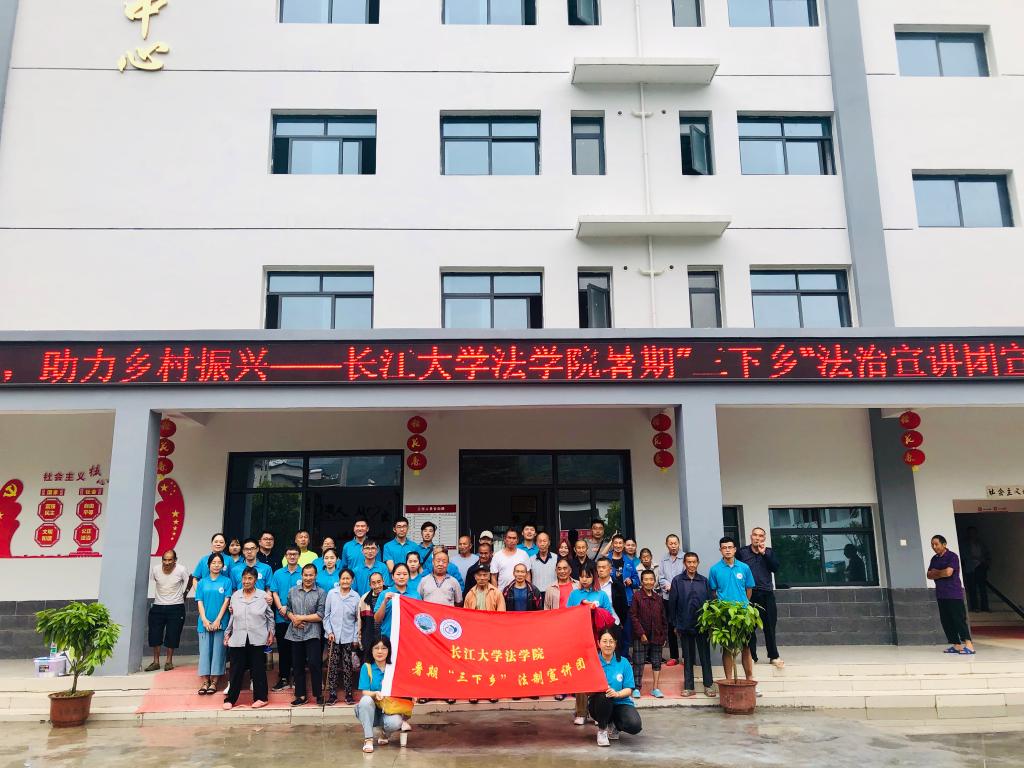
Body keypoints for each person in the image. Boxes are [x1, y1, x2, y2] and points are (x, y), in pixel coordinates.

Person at [566, 564, 614, 726]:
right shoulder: (574, 595)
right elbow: (567, 616)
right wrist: (582, 607)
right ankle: (581, 712)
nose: (584, 579)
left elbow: (609, 618)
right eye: (581, 576)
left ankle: (597, 711)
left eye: (588, 576)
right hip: (579, 640)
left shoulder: (601, 595)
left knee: (598, 675)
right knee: (581, 675)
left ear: (594, 576)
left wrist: (595, 610)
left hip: (597, 642)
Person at [222, 567, 275, 710]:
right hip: (238, 637)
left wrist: (271, 633)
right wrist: (227, 633)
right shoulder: (236, 596)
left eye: (250, 578)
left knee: (258, 669)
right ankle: (231, 699)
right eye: (244, 578)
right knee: (236, 670)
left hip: (257, 637)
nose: (246, 581)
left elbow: (270, 617)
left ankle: (261, 698)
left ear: (255, 580)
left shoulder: (263, 596)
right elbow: (233, 617)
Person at [708, 537, 756, 686]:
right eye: (724, 548)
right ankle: (728, 681)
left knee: (746, 647)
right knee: (728, 648)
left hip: (743, 614)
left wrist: (744, 604)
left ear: (735, 549)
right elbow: (713, 592)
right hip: (724, 614)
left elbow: (749, 589)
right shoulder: (715, 569)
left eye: (730, 547)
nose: (727, 550)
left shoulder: (744, 567)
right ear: (720, 550)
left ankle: (750, 681)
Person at [668, 552, 715, 698]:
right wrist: (675, 624)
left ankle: (709, 685)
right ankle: (689, 687)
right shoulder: (677, 580)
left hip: (702, 625)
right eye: (689, 562)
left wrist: (710, 623)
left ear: (698, 563)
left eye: (694, 562)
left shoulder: (704, 581)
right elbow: (672, 604)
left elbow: (710, 603)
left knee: (705, 656)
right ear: (684, 563)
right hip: (684, 624)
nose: (692, 565)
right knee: (688, 657)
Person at [355, 637, 412, 753]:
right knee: (365, 700)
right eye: (376, 648)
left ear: (389, 650)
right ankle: (368, 739)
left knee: (395, 722)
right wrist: (375, 693)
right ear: (371, 650)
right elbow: (365, 691)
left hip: (389, 710)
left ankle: (385, 734)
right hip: (372, 712)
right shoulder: (367, 667)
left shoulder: (394, 668)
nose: (380, 651)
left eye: (384, 648)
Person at [738, 527, 784, 668]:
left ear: (764, 538)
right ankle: (751, 656)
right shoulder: (742, 552)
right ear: (751, 536)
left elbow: (775, 568)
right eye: (755, 535)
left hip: (766, 593)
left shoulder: (769, 552)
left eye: (760, 536)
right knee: (749, 627)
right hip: (749, 594)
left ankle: (774, 656)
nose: (757, 538)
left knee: (769, 626)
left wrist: (764, 554)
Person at [591, 627, 643, 747]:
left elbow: (629, 689)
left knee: (634, 725)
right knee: (604, 696)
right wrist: (600, 689)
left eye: (611, 641)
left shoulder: (624, 662)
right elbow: (586, 689)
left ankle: (614, 725)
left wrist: (617, 694)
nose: (608, 645)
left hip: (621, 703)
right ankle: (602, 730)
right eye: (604, 641)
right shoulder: (593, 662)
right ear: (598, 643)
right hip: (599, 704)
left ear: (615, 643)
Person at [286, 563, 327, 706]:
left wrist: (301, 618)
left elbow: (320, 615)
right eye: (305, 575)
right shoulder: (293, 591)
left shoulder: (321, 592)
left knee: (315, 664)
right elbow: (288, 609)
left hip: (313, 633)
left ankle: (318, 694)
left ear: (315, 576)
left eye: (311, 575)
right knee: (297, 665)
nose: (308, 578)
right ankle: (301, 695)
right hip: (295, 632)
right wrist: (293, 619)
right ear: (301, 575)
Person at [928, 535, 975, 655]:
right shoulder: (934, 559)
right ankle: (956, 645)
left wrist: (937, 572)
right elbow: (929, 575)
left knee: (958, 619)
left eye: (936, 544)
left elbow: (948, 573)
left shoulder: (952, 556)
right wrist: (941, 573)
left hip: (954, 593)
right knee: (946, 620)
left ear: (944, 544)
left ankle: (969, 645)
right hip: (941, 594)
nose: (934, 547)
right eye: (932, 544)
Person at [146, 549, 190, 672]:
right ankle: (156, 662)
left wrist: (184, 595)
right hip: (158, 605)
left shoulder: (181, 570)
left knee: (173, 634)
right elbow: (155, 582)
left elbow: (189, 581)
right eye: (164, 560)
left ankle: (169, 661)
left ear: (175, 560)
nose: (167, 562)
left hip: (176, 606)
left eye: (170, 560)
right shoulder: (155, 569)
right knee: (154, 634)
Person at [324, 568, 361, 706]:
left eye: (348, 578)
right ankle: (332, 694)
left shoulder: (355, 596)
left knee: (348, 666)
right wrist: (329, 632)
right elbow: (326, 616)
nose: (345, 581)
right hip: (333, 637)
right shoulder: (332, 594)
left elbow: (357, 620)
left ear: (352, 580)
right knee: (332, 665)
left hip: (348, 637)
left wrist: (355, 638)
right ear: (339, 580)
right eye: (343, 578)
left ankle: (349, 694)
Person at [195, 552, 230, 695]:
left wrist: (218, 620)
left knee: (218, 652)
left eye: (219, 563)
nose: (216, 565)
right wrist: (204, 619)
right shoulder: (202, 582)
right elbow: (199, 601)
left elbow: (226, 601)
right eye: (213, 563)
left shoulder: (226, 581)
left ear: (223, 565)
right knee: (204, 652)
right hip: (204, 623)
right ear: (208, 565)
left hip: (220, 622)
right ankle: (205, 682)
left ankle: (214, 682)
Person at [269, 545, 303, 692]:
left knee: (298, 650)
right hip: (281, 618)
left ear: (299, 556)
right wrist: (280, 608)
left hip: (298, 618)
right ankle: (283, 678)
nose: (292, 556)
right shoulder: (278, 573)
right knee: (283, 650)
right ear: (285, 556)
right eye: (289, 554)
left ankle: (296, 677)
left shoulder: (304, 573)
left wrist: (294, 613)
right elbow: (274, 592)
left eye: (295, 554)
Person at [629, 569, 667, 698]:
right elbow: (633, 616)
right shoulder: (637, 596)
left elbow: (663, 618)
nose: (649, 582)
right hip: (641, 636)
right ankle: (636, 688)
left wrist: (664, 636)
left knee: (656, 662)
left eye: (651, 579)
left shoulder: (658, 598)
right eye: (646, 579)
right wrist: (641, 634)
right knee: (638, 661)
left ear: (654, 581)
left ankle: (655, 688)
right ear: (642, 581)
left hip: (657, 635)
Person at [658, 535, 685, 666]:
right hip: (668, 598)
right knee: (670, 626)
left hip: (682, 598)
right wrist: (668, 586)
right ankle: (674, 656)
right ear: (666, 544)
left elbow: (686, 576)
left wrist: (675, 587)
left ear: (679, 544)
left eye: (675, 543)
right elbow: (661, 578)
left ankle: (686, 656)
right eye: (671, 543)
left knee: (683, 626)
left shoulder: (684, 557)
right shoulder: (663, 559)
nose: (673, 546)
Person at [375, 563, 411, 637]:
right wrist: (385, 602)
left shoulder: (415, 595)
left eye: (405, 574)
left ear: (409, 576)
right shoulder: (384, 594)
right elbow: (377, 619)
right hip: (388, 637)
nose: (402, 577)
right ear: (392, 576)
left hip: (409, 637)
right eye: (398, 574)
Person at [963, 526, 991, 612]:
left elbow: (987, 553)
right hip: (970, 567)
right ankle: (975, 607)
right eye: (971, 532)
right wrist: (975, 557)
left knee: (982, 588)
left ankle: (985, 607)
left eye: (974, 532)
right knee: (972, 588)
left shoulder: (980, 543)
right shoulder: (964, 544)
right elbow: (964, 555)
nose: (972, 534)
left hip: (981, 566)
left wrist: (985, 561)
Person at [359, 572, 387, 655]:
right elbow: (360, 621)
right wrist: (360, 639)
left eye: (379, 582)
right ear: (370, 585)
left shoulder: (390, 596)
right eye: (373, 583)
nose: (377, 586)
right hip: (370, 639)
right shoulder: (364, 598)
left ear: (383, 581)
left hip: (387, 637)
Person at [608, 534, 639, 605]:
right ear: (612, 545)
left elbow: (637, 581)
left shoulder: (629, 561)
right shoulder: (606, 561)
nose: (618, 545)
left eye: (620, 543)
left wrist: (631, 581)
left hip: (626, 599)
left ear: (624, 545)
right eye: (616, 543)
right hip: (610, 599)